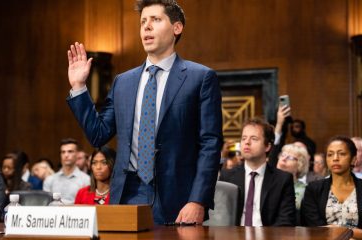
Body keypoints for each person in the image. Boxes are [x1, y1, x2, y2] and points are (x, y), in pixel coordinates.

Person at [66, 0, 222, 224]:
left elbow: (210, 143)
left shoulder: (200, 77)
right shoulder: (123, 82)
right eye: (143, 22)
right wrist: (79, 87)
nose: (146, 27)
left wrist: (197, 200)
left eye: (156, 20)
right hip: (127, 193)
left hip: (178, 198)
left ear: (177, 28)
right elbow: (98, 134)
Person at [219, 118, 296, 226]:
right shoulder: (227, 176)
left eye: (254, 139)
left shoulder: (282, 179)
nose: (247, 142)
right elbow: (221, 217)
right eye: (243, 138)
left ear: (267, 146)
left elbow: (285, 221)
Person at [301, 136, 362, 238]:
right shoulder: (313, 189)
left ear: (353, 159)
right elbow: (313, 228)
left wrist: (342, 231)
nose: (335, 158)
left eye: (342, 154)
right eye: (330, 154)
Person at [43, 138, 90, 204]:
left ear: (77, 154)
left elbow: (86, 206)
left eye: (70, 151)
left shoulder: (86, 180)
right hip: (53, 213)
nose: (66, 155)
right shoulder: (50, 179)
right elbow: (46, 204)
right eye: (63, 152)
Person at [276, 144, 309, 210]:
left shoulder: (305, 190)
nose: (284, 159)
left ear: (300, 165)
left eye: (290, 157)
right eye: (283, 155)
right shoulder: (267, 182)